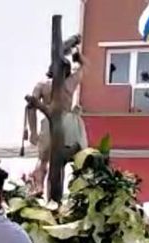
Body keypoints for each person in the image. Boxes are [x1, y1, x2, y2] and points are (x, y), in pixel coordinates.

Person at [25, 41, 88, 196]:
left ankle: (48, 187)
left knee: (53, 159)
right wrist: (78, 56)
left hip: (64, 122)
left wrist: (77, 55)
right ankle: (39, 186)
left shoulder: (65, 82)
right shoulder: (49, 84)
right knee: (45, 159)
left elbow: (31, 107)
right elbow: (31, 107)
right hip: (53, 121)